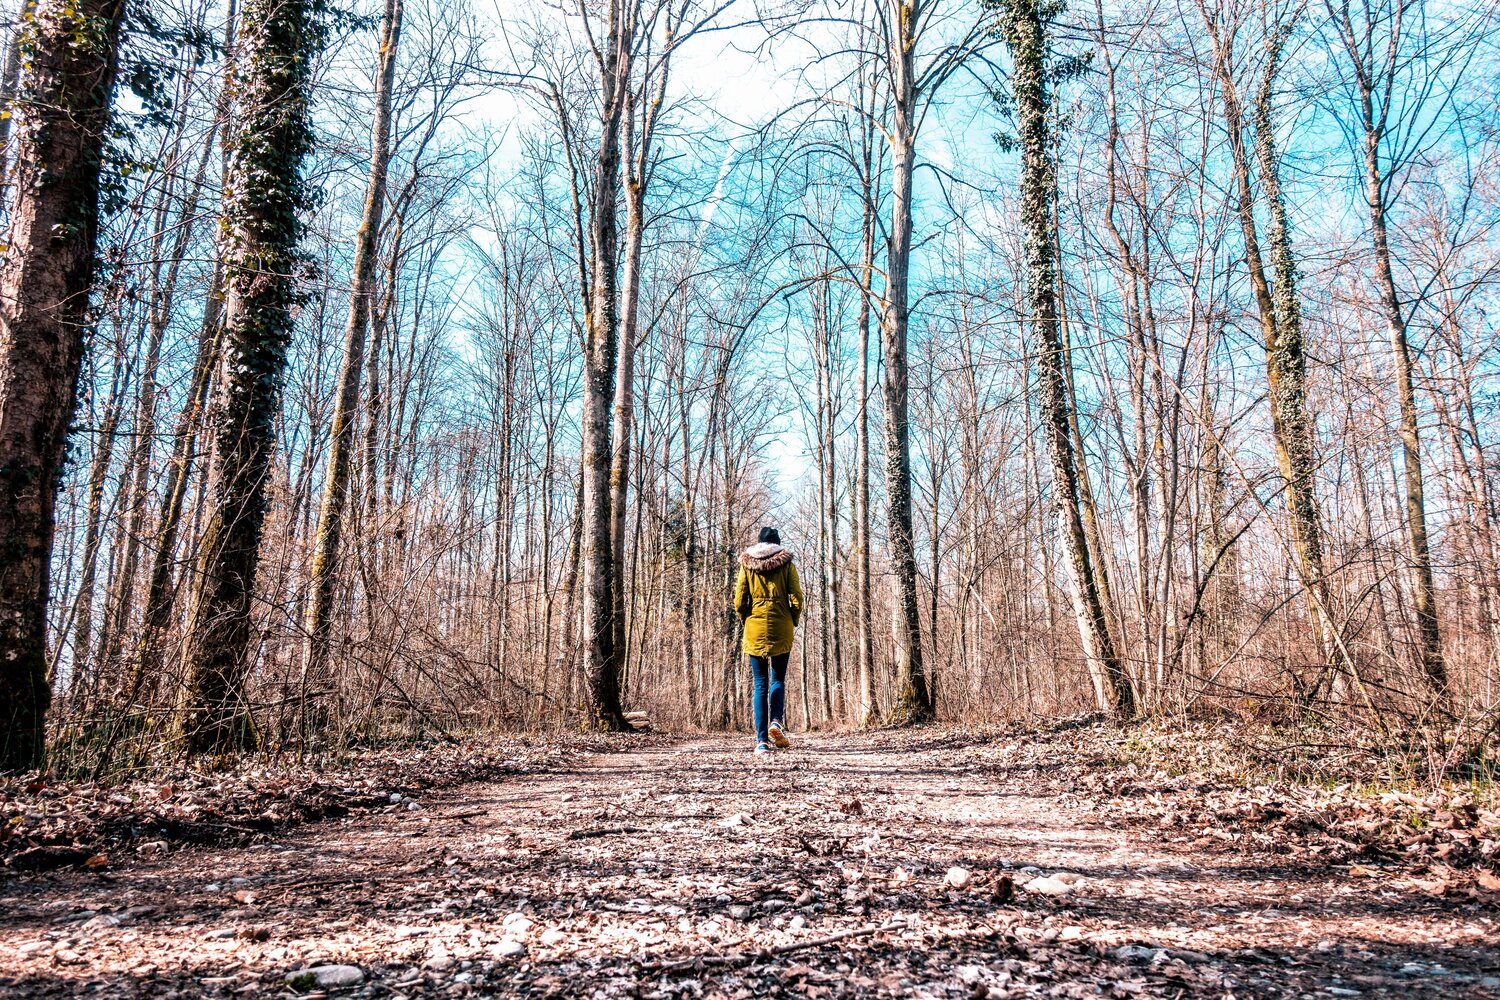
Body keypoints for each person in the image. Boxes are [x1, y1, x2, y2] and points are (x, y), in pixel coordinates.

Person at [734, 527, 803, 755]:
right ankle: (776, 721)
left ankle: (761, 742)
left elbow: (739, 600)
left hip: (754, 629)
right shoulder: (787, 565)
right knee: (778, 680)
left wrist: (746, 617)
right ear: (777, 544)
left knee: (760, 684)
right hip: (782, 626)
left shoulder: (747, 565)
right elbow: (797, 598)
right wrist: (792, 619)